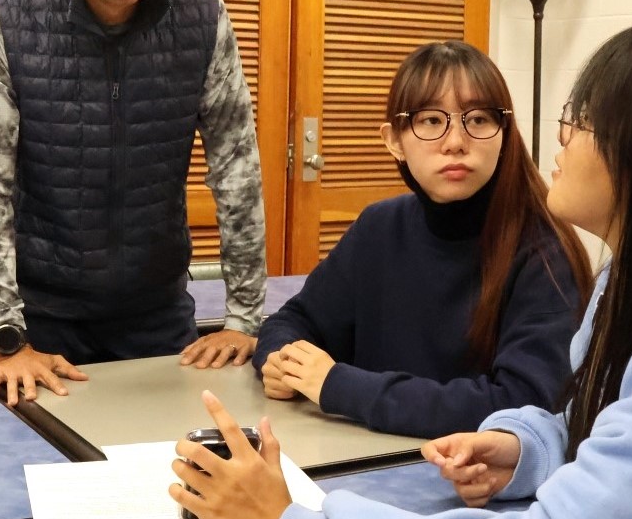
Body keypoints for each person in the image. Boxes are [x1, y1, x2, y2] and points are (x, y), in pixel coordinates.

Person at [168, 19, 632, 519]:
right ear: (394, 139)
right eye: (430, 121)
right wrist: (524, 448)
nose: (559, 137)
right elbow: (585, 418)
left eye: (583, 119)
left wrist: (287, 514)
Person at [0, 0, 268, 406]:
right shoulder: (8, 16)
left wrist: (245, 316)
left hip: (160, 316)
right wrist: (6, 337)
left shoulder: (201, 14)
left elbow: (236, 168)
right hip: (43, 327)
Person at [253, 41, 592, 438]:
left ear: (504, 133)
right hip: (356, 459)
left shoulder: (543, 251)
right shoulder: (379, 227)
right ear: (393, 140)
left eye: (479, 119)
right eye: (431, 121)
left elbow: (522, 402)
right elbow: (294, 320)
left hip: (467, 482)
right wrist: (280, 360)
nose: (455, 141)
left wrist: (338, 386)